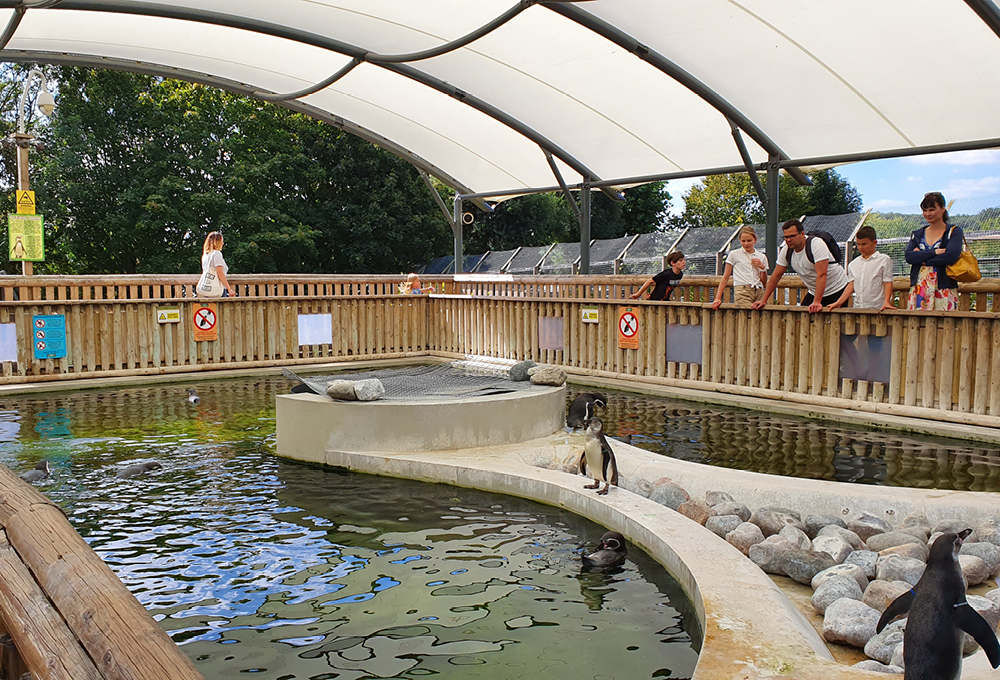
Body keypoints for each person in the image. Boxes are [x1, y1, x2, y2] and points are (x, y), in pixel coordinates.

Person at [751, 219, 849, 313]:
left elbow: (822, 274)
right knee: (802, 318)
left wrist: (817, 302)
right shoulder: (787, 250)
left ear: (802, 234)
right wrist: (764, 300)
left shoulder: (816, 244)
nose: (789, 240)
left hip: (836, 289)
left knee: (834, 321)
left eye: (792, 236)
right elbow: (776, 275)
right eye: (786, 237)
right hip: (814, 292)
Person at [904, 191, 963, 311]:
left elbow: (950, 256)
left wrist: (922, 259)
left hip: (944, 288)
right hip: (919, 288)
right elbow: (909, 257)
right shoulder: (917, 234)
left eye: (932, 209)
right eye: (925, 210)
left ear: (942, 209)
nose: (928, 214)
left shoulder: (953, 231)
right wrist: (934, 252)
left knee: (945, 321)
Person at [825, 226, 896, 311]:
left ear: (874, 243)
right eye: (858, 244)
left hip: (878, 308)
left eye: (864, 244)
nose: (861, 247)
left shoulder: (884, 260)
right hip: (858, 308)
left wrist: (887, 302)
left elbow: (887, 282)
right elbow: (851, 285)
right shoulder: (853, 264)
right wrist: (839, 302)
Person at [711, 226, 767, 309]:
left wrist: (763, 268)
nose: (746, 243)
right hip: (742, 290)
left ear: (755, 240)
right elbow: (725, 277)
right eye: (743, 241)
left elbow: (764, 282)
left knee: (759, 315)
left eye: (749, 240)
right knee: (745, 314)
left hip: (758, 290)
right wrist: (718, 298)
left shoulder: (762, 256)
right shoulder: (734, 254)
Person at [200, 231, 234, 298]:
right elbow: (220, 273)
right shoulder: (217, 254)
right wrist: (229, 289)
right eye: (221, 241)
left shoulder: (205, 255)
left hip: (207, 289)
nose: (222, 243)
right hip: (217, 289)